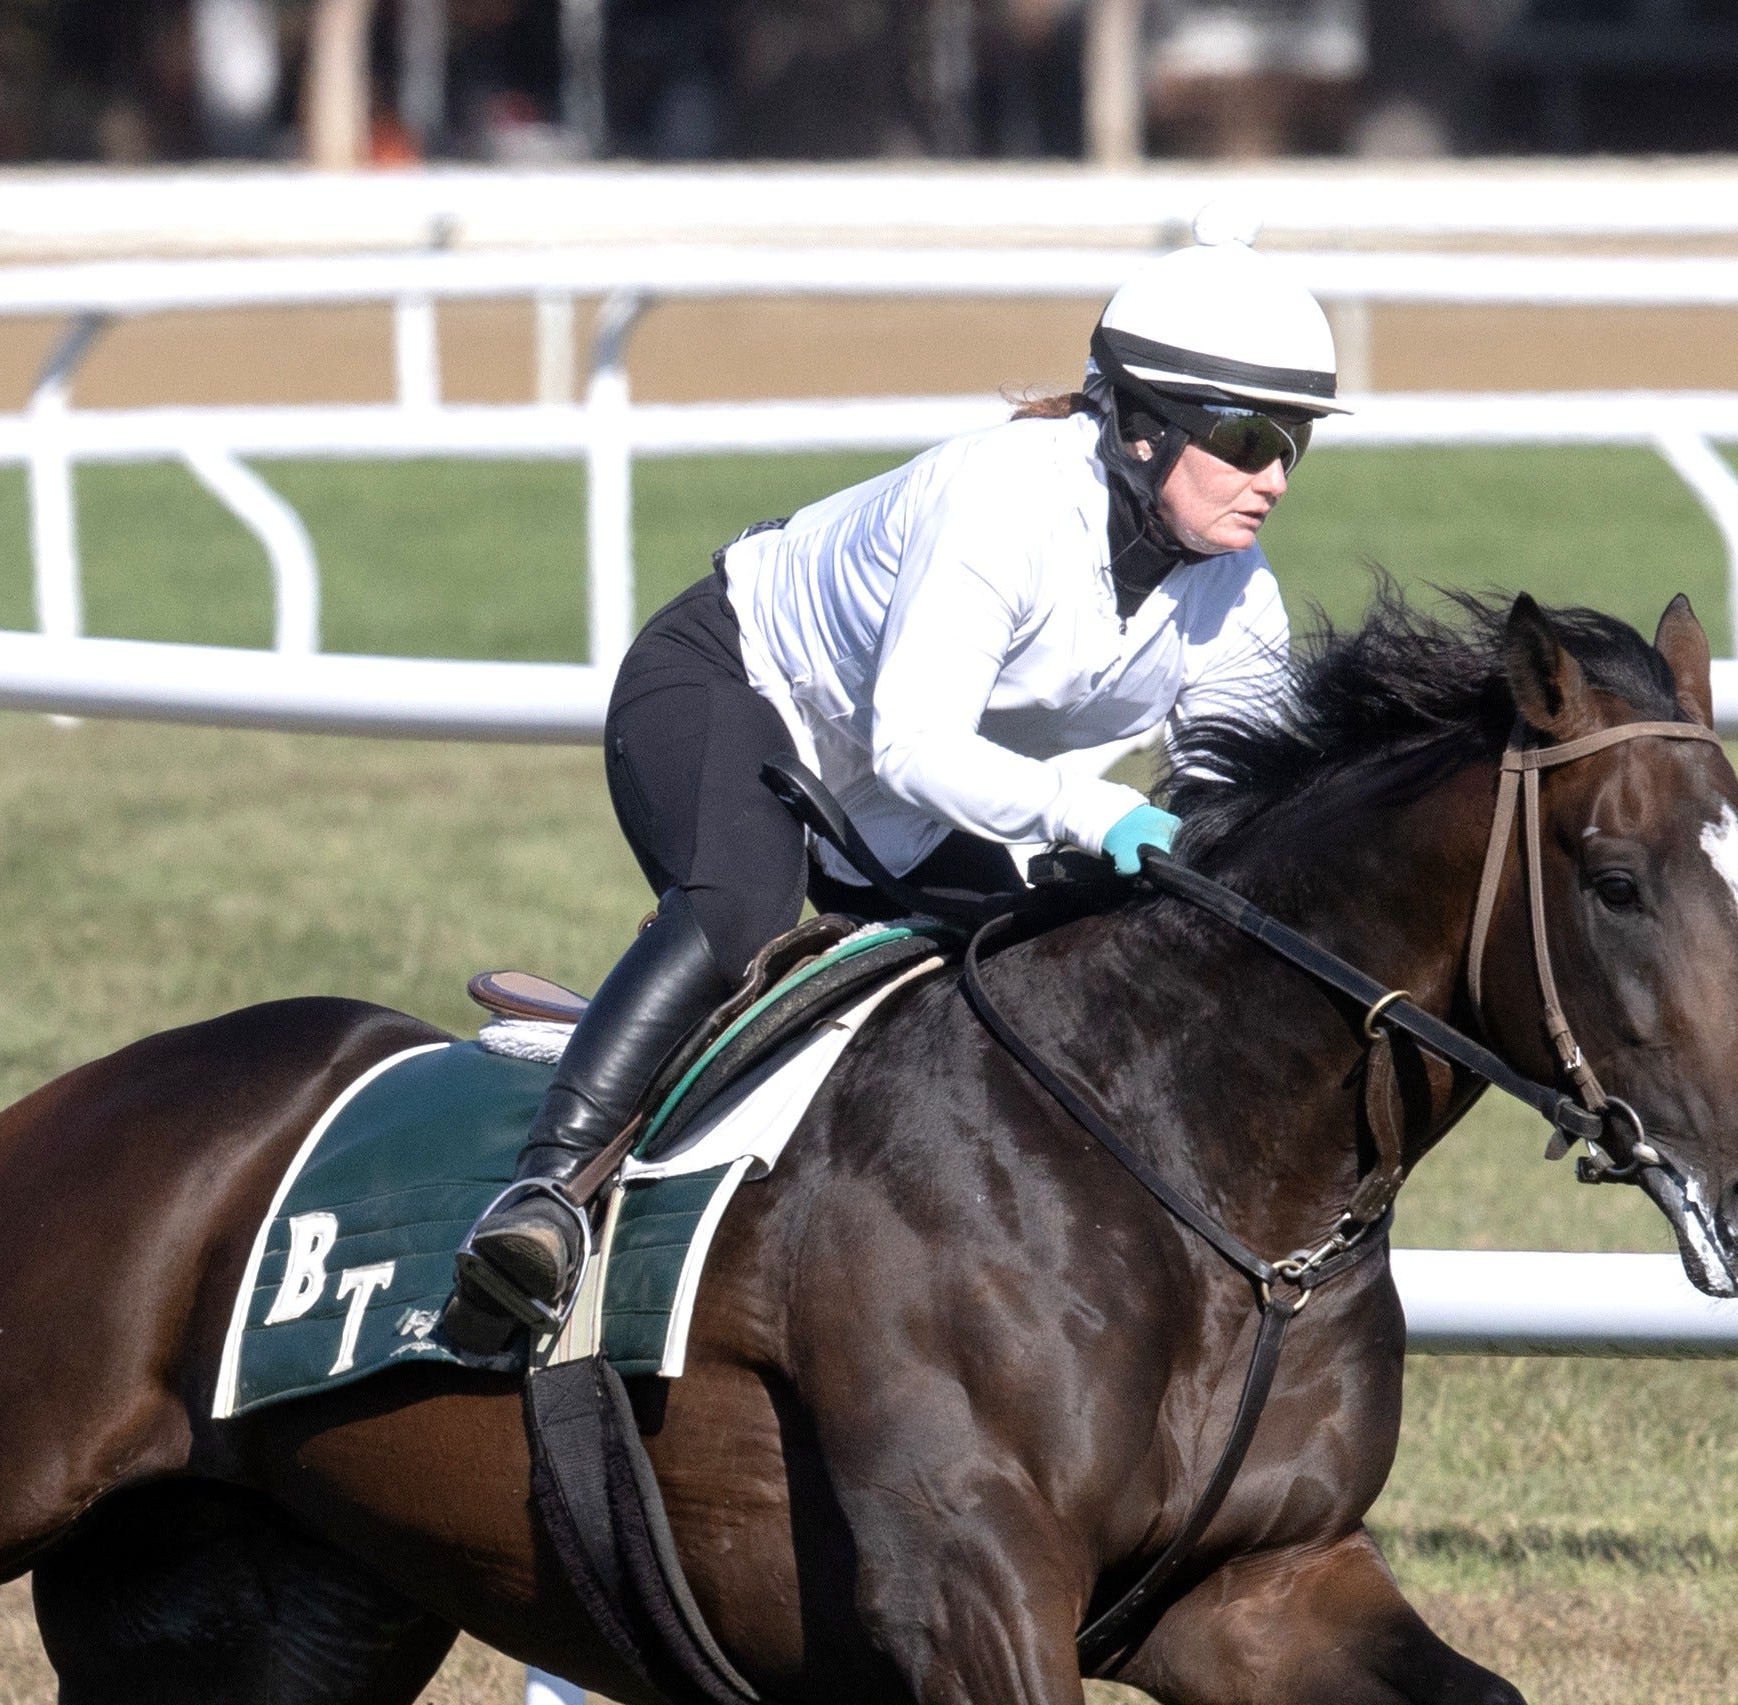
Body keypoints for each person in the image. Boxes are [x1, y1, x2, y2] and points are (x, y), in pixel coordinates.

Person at [440, 235, 1346, 1363]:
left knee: (1041, 972)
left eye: (1295, 444)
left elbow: (1237, 797)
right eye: (1249, 438)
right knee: (739, 912)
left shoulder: (1237, 601)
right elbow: (914, 745)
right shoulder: (1003, 498)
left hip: (903, 803)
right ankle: (542, 1198)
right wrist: (1092, 812)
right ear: (1141, 422)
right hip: (732, 688)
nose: (1274, 476)